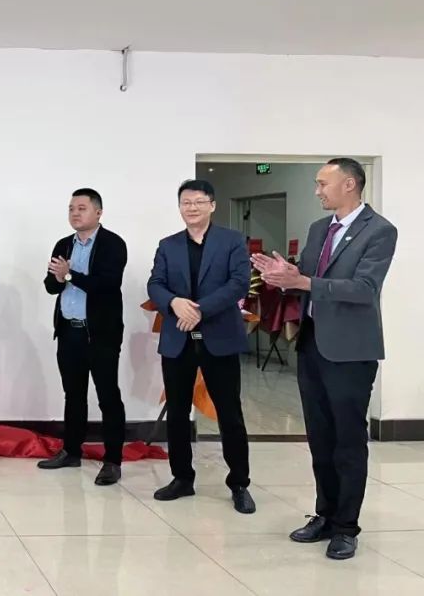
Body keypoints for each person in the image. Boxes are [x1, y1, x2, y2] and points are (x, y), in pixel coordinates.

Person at [252, 158, 397, 560]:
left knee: (347, 441)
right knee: (320, 438)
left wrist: (302, 280)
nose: (316, 191)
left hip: (350, 352)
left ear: (349, 184)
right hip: (313, 343)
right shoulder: (320, 228)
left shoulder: (379, 230)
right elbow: (306, 277)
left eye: (322, 184)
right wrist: (284, 274)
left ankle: (347, 527)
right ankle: (325, 514)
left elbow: (364, 288)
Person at [147, 179, 255, 514]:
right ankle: (182, 478)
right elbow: (155, 284)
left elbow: (239, 283)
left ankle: (239, 483)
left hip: (219, 338)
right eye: (185, 202)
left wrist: (198, 310)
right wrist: (174, 302)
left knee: (229, 413)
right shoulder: (168, 245)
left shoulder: (232, 241)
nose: (191, 208)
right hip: (177, 340)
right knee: (178, 413)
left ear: (212, 205)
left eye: (198, 201)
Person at [37, 188, 128, 486]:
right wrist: (59, 277)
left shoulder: (113, 244)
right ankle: (71, 451)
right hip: (69, 331)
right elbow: (51, 286)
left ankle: (112, 460)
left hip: (100, 334)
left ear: (98, 212)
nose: (75, 213)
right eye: (71, 208)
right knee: (73, 395)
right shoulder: (64, 244)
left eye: (81, 208)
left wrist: (70, 275)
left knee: (107, 396)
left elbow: (107, 286)